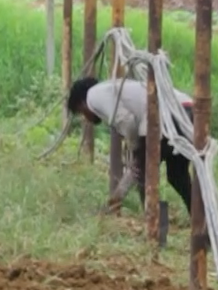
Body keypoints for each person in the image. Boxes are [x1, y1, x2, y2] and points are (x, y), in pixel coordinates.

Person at [66, 76, 195, 217]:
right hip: (188, 109)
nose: (86, 118)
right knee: (177, 175)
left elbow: (126, 120)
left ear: (82, 102)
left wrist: (135, 146)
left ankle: (154, 221)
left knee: (142, 172)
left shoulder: (93, 96)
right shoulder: (111, 89)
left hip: (168, 114)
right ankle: (200, 218)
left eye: (81, 111)